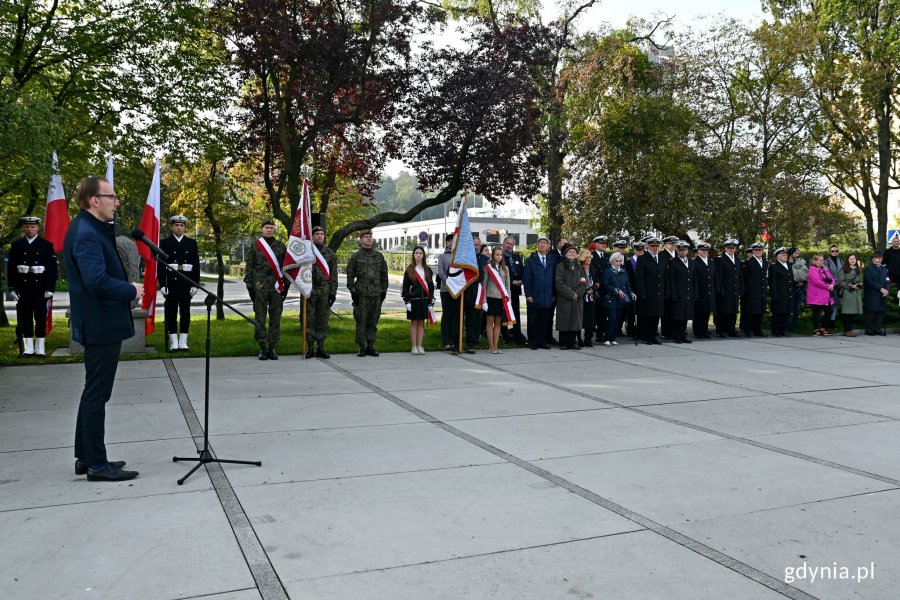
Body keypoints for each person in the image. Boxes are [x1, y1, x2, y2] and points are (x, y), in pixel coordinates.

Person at [64, 175, 142, 481]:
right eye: (111, 196)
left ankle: (86, 456)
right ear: (94, 200)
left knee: (93, 392)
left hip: (101, 321)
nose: (117, 202)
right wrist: (131, 290)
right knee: (98, 394)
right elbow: (95, 280)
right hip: (99, 323)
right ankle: (97, 464)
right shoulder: (85, 232)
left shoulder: (93, 228)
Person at [8, 215, 58, 358]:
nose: (30, 229)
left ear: (38, 228)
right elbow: (11, 268)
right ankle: (28, 348)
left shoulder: (46, 246)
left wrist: (50, 288)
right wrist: (12, 288)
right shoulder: (17, 246)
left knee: (40, 318)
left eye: (33, 227)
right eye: (27, 227)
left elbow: (52, 269)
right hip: (23, 288)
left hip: (40, 288)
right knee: (25, 318)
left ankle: (40, 347)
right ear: (24, 227)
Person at [244, 220, 287, 360]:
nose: (269, 230)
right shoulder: (256, 245)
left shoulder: (280, 245)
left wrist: (285, 286)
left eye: (271, 228)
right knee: (260, 317)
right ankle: (262, 347)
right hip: (260, 285)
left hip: (276, 285)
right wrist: (250, 286)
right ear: (262, 229)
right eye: (266, 228)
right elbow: (249, 267)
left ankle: (272, 348)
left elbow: (286, 268)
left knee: (275, 317)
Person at [158, 215, 200, 352]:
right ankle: (173, 342)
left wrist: (195, 284)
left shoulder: (191, 243)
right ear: (172, 227)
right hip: (171, 283)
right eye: (177, 225)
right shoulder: (164, 243)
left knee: (185, 312)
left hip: (186, 283)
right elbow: (161, 266)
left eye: (182, 225)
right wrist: (162, 284)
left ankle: (183, 341)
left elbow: (196, 265)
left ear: (185, 227)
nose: (179, 228)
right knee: (171, 313)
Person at [346, 229, 388, 357]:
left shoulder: (379, 256)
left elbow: (384, 275)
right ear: (361, 240)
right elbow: (350, 275)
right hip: (361, 293)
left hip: (376, 293)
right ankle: (361, 346)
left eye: (370, 237)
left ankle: (371, 345)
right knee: (361, 320)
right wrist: (353, 291)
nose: (368, 239)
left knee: (373, 320)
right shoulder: (356, 256)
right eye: (366, 237)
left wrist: (384, 291)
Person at [306, 225, 339, 358]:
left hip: (325, 290)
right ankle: (309, 348)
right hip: (309, 289)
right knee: (309, 319)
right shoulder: (306, 251)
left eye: (321, 234)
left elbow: (334, 274)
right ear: (312, 237)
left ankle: (320, 347)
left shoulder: (330, 253)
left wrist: (333, 292)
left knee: (322, 319)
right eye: (317, 234)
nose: (319, 236)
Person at [523, 236, 555, 349]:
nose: (542, 245)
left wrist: (553, 295)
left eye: (545, 243)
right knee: (533, 320)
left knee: (544, 320)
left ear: (548, 246)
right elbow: (527, 279)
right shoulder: (531, 260)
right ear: (537, 245)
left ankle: (542, 341)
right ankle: (532, 342)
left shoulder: (552, 260)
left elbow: (554, 279)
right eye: (540, 243)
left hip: (547, 296)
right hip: (534, 296)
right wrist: (528, 295)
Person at [401, 246, 434, 355]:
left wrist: (430, 301)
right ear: (413, 255)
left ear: (423, 255)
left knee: (421, 323)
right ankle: (414, 346)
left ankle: (420, 345)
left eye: (420, 253)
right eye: (416, 253)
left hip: (424, 300)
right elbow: (405, 287)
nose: (418, 255)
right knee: (414, 322)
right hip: (413, 300)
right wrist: (407, 301)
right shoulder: (410, 270)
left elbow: (431, 287)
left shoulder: (427, 270)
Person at [554, 244, 586, 349]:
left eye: (574, 252)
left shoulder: (579, 267)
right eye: (569, 252)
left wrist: (579, 293)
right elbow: (559, 283)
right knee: (564, 319)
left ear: (577, 255)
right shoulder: (560, 266)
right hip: (565, 298)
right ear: (565, 254)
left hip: (578, 298)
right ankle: (563, 343)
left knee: (575, 320)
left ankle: (572, 342)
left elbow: (584, 282)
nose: (572, 253)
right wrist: (571, 294)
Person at [635, 237, 666, 345]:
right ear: (647, 246)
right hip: (648, 292)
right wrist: (642, 293)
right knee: (646, 316)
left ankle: (653, 336)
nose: (655, 248)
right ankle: (645, 336)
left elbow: (664, 276)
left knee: (656, 315)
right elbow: (640, 278)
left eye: (657, 246)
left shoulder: (662, 257)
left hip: (659, 292)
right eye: (652, 246)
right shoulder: (642, 258)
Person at [484, 246, 513, 354]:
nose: (499, 257)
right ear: (493, 255)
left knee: (498, 323)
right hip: (490, 298)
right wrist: (484, 301)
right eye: (497, 254)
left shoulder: (505, 269)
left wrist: (508, 300)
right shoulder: (488, 268)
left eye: (501, 255)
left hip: (501, 299)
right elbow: (484, 285)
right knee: (490, 322)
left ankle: (496, 346)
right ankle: (490, 346)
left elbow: (508, 286)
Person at [602, 251, 635, 346]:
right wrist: (616, 290)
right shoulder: (608, 271)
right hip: (610, 298)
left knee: (617, 319)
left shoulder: (624, 271)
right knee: (612, 318)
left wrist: (632, 293)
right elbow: (605, 285)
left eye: (620, 261)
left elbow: (627, 284)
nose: (618, 263)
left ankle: (613, 338)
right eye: (616, 261)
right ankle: (607, 338)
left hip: (621, 299)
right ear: (612, 261)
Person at [665, 241, 695, 344]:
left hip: (688, 293)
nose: (682, 252)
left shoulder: (691, 262)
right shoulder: (672, 262)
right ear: (677, 251)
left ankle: (683, 335)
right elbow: (671, 280)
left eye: (684, 250)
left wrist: (694, 292)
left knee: (685, 316)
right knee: (677, 316)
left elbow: (693, 279)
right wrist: (673, 293)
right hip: (678, 293)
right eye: (680, 250)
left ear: (687, 251)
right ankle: (676, 336)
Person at [501, 235, 528, 344]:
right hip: (505, 289)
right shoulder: (500, 256)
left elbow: (521, 270)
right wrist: (511, 281)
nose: (509, 246)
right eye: (507, 243)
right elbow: (501, 273)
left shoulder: (517, 256)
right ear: (503, 244)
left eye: (511, 244)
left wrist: (521, 280)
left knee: (516, 313)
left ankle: (517, 334)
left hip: (516, 289)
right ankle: (505, 335)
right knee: (504, 313)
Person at [741, 242, 768, 337]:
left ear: (762, 251)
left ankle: (757, 330)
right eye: (756, 250)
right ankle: (747, 330)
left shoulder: (765, 262)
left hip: (761, 291)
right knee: (750, 312)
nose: (758, 252)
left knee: (760, 311)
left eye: (760, 250)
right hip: (751, 291)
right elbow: (744, 278)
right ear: (752, 251)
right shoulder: (747, 263)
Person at [437, 234, 457, 351]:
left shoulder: (458, 256)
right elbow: (441, 272)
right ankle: (446, 340)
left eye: (452, 241)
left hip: (457, 290)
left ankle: (454, 339)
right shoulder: (442, 257)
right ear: (446, 243)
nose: (451, 243)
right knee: (447, 314)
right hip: (446, 289)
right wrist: (450, 283)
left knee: (455, 315)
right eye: (449, 241)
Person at [768, 247, 794, 337]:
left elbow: (791, 280)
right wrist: (774, 295)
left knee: (786, 313)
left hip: (788, 294)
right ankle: (776, 331)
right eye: (783, 255)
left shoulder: (789, 265)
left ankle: (783, 330)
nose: (785, 256)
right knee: (778, 313)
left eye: (786, 254)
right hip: (779, 294)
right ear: (777, 256)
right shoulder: (774, 266)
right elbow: (773, 282)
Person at [807, 254, 835, 336]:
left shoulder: (825, 269)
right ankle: (816, 329)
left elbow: (832, 278)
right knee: (816, 312)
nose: (823, 261)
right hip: (816, 295)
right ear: (815, 261)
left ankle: (823, 328)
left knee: (829, 311)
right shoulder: (812, 269)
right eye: (821, 260)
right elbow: (817, 281)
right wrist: (828, 286)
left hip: (826, 295)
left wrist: (832, 285)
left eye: (823, 260)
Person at [692, 242, 716, 339]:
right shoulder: (694, 262)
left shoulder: (711, 262)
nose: (704, 252)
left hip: (709, 291)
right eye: (702, 250)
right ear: (698, 251)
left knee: (706, 313)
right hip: (699, 291)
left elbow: (715, 278)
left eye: (706, 250)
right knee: (698, 313)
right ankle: (698, 332)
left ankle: (704, 331)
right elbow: (694, 279)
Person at [863, 251, 890, 335]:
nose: (878, 260)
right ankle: (869, 330)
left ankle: (877, 329)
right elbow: (869, 281)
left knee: (880, 312)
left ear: (882, 259)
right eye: (876, 258)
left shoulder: (884, 268)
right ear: (873, 259)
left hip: (882, 293)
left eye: (879, 258)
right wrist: (881, 288)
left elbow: (887, 280)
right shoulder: (868, 268)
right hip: (872, 293)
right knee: (871, 312)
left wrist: (887, 290)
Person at [838, 254, 863, 337]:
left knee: (853, 313)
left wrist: (859, 285)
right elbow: (841, 282)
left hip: (856, 293)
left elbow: (861, 280)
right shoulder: (843, 270)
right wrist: (851, 286)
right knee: (848, 312)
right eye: (850, 259)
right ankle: (847, 330)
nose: (852, 260)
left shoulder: (858, 269)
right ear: (847, 260)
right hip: (848, 292)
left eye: (854, 258)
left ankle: (850, 329)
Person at [590, 236, 610, 341]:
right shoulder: (591, 256)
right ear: (595, 244)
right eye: (601, 243)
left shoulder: (608, 256)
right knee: (593, 313)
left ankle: (600, 334)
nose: (604, 245)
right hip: (594, 289)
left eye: (605, 243)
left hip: (605, 289)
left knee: (603, 313)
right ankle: (588, 335)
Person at [624, 241, 644, 339]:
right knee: (631, 313)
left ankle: (641, 332)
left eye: (641, 250)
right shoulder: (629, 262)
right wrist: (630, 291)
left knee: (642, 313)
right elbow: (627, 278)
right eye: (637, 250)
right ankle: (631, 332)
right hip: (632, 290)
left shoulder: (646, 261)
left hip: (643, 290)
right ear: (634, 250)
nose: (640, 252)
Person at [578, 250, 596, 347]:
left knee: (590, 321)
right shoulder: (578, 268)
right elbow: (576, 283)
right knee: (579, 320)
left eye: (590, 257)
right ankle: (579, 340)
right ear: (582, 258)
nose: (589, 259)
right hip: (581, 299)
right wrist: (585, 291)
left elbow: (597, 283)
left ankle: (588, 339)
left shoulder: (593, 268)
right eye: (587, 257)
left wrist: (593, 289)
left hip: (591, 299)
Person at [824, 245, 843, 330]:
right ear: (829, 252)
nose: (834, 252)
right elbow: (826, 274)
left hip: (839, 286)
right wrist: (833, 282)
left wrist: (840, 282)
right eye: (832, 251)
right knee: (830, 304)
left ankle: (832, 321)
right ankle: (826, 322)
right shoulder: (826, 262)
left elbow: (843, 273)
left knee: (836, 304)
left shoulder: (841, 261)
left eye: (836, 251)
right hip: (830, 286)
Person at [789, 248, 807, 332]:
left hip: (800, 288)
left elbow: (807, 275)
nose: (798, 255)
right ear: (791, 254)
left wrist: (804, 283)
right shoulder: (787, 264)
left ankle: (793, 327)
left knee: (797, 308)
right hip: (790, 289)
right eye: (796, 253)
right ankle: (786, 326)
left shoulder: (802, 263)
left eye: (798, 253)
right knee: (789, 308)